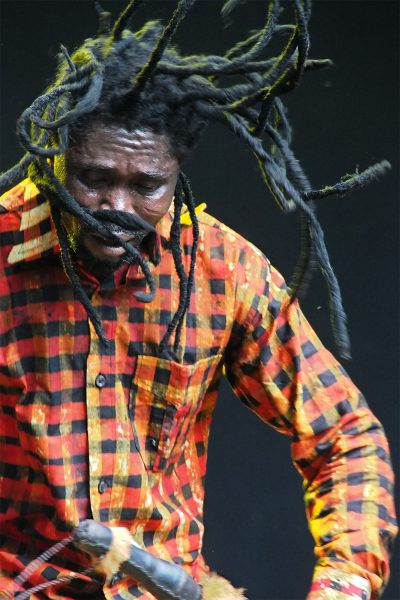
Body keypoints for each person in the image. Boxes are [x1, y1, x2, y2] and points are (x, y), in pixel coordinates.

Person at [0, 1, 397, 598]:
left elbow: (344, 435)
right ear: (56, 154)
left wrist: (344, 584)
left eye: (145, 185)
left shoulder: (221, 269)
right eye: (94, 177)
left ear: (177, 173)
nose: (116, 207)